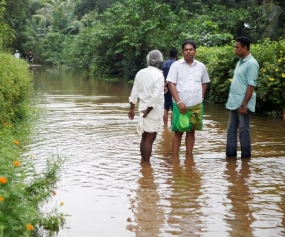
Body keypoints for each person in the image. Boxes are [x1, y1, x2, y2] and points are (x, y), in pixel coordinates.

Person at [166, 40, 210, 155]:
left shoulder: (201, 66)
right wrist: (179, 102)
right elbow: (171, 84)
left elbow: (205, 82)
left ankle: (189, 157)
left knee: (191, 132)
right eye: (186, 50)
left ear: (195, 51)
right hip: (180, 104)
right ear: (182, 52)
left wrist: (201, 97)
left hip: (196, 105)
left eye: (191, 50)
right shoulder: (176, 66)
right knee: (178, 132)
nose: (188, 52)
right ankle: (175, 157)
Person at [226, 36, 259, 159]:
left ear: (245, 48)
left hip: (243, 104)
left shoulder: (252, 63)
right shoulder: (240, 61)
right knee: (231, 130)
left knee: (244, 130)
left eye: (237, 47)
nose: (235, 49)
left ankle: (246, 159)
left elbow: (251, 86)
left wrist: (244, 104)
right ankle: (230, 157)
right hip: (235, 101)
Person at [128, 50, 164, 162]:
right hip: (152, 110)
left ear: (148, 60)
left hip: (142, 108)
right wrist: (148, 111)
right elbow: (155, 97)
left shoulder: (140, 73)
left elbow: (134, 92)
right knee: (150, 139)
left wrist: (132, 109)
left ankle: (144, 164)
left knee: (144, 138)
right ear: (160, 61)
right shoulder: (159, 75)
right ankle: (146, 166)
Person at [161, 48, 178, 127]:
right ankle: (172, 125)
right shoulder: (177, 64)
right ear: (176, 55)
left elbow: (162, 75)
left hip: (165, 88)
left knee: (166, 107)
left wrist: (164, 85)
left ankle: (165, 126)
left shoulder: (164, 64)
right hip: (174, 87)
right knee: (174, 107)